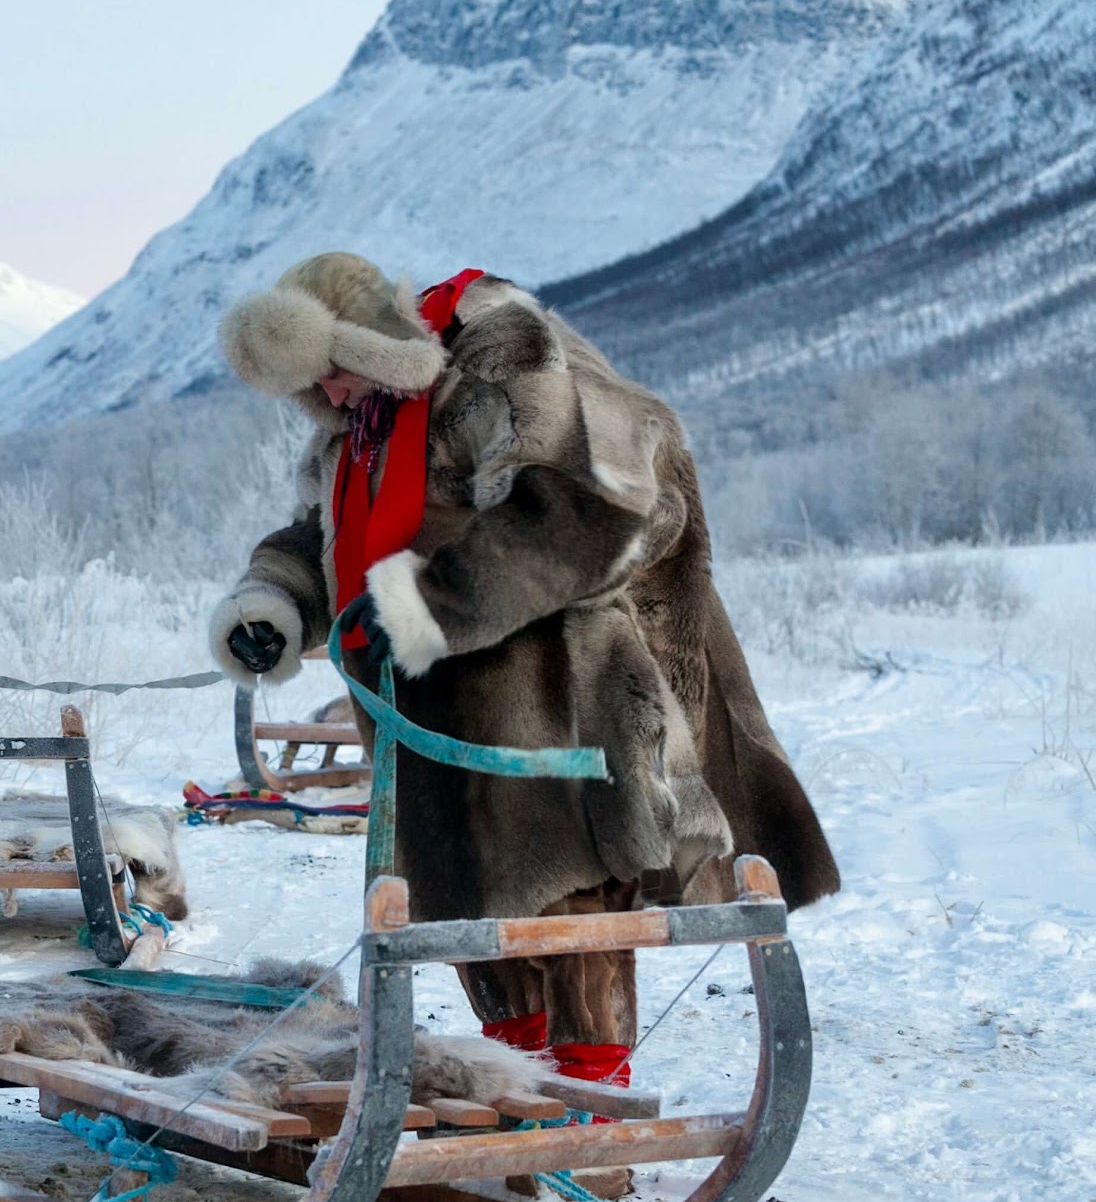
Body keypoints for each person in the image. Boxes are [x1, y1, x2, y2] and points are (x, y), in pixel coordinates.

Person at [209, 252, 837, 1131]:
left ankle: (592, 1127)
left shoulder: (495, 357)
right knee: (471, 920)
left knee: (571, 908)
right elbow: (326, 537)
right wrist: (274, 603)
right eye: (314, 388)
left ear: (368, 344)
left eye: (336, 374)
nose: (333, 398)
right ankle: (516, 1111)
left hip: (553, 703)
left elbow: (591, 505)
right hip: (429, 729)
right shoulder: (358, 425)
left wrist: (431, 606)